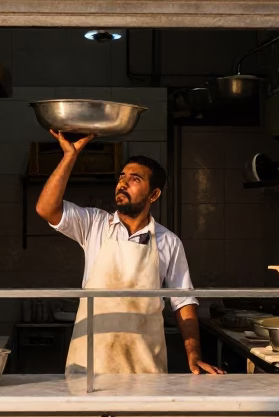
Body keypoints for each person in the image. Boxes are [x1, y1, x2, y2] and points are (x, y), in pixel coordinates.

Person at [36, 132, 223, 377]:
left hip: (144, 367)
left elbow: (184, 303)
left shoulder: (168, 241)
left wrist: (194, 355)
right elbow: (46, 208)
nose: (122, 183)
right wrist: (70, 156)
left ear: (154, 195)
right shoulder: (94, 224)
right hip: (91, 364)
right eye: (122, 177)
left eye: (134, 179)